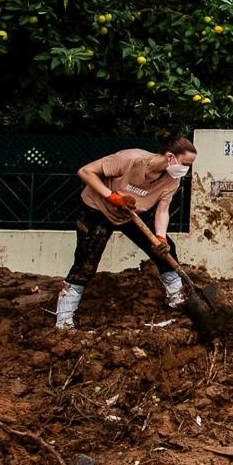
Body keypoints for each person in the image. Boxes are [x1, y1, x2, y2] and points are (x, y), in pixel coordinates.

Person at [54, 133, 197, 329]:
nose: (186, 169)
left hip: (130, 214)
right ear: (170, 157)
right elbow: (86, 171)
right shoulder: (131, 158)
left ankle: (177, 300)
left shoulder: (172, 180)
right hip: (97, 210)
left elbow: (163, 210)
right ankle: (64, 319)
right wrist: (112, 197)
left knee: (166, 249)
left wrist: (160, 238)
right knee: (86, 263)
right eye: (185, 163)